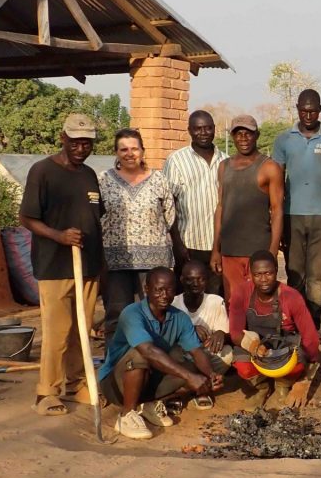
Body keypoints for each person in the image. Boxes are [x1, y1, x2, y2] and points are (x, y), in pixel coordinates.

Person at [19, 113, 105, 416]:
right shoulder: (42, 172)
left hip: (89, 266)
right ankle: (47, 392)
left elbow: (96, 220)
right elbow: (26, 218)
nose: (82, 147)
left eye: (87, 142)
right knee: (58, 330)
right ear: (63, 138)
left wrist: (100, 264)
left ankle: (78, 383)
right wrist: (58, 235)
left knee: (81, 330)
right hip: (55, 266)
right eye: (76, 141)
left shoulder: (89, 175)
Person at [98, 267, 224, 440]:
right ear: (146, 288)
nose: (164, 295)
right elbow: (147, 351)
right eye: (158, 290)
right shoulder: (132, 313)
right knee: (140, 354)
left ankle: (148, 405)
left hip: (148, 379)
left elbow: (196, 351)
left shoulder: (180, 317)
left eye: (169, 290)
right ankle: (127, 415)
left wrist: (210, 375)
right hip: (115, 384)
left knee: (192, 366)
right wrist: (189, 377)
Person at [272, 89, 321, 329]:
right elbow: (275, 177)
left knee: (316, 276)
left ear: (320, 110)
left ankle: (313, 326)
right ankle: (294, 324)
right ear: (297, 108)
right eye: (303, 110)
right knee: (295, 274)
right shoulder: (284, 139)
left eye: (313, 110)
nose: (308, 115)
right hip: (291, 215)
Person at [98, 129, 175, 341]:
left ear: (143, 151)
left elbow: (169, 216)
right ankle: (115, 367)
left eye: (134, 148)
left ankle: (154, 368)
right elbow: (97, 216)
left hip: (154, 263)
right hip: (115, 262)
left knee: (154, 314)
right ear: (116, 152)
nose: (129, 153)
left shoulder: (159, 179)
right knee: (117, 315)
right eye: (123, 149)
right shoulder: (104, 180)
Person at [228, 250, 320, 410]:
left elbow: (310, 337)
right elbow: (235, 332)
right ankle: (262, 388)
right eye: (258, 274)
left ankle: (282, 385)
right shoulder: (241, 292)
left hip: (284, 348)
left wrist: (305, 379)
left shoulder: (292, 297)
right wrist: (254, 347)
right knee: (240, 362)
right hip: (258, 348)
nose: (263, 280)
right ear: (251, 274)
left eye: (268, 273)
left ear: (277, 271)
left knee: (298, 360)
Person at [212, 115, 285, 303]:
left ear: (257, 135)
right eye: (238, 134)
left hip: (258, 251)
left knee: (259, 303)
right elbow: (221, 207)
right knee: (234, 303)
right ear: (233, 137)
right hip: (230, 250)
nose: (243, 138)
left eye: (248, 134)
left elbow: (277, 211)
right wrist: (216, 249)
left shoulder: (269, 167)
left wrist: (273, 251)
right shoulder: (224, 167)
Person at [164, 109, 228, 295]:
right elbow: (169, 204)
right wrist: (177, 243)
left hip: (218, 244)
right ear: (190, 130)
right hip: (189, 243)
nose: (203, 133)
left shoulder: (225, 160)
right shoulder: (176, 160)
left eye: (208, 128)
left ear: (215, 129)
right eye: (198, 129)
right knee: (187, 296)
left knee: (215, 296)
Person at [171, 260, 233, 409]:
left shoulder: (216, 302)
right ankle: (194, 389)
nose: (195, 284)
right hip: (182, 357)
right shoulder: (173, 303)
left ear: (207, 280)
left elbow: (225, 334)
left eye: (200, 279)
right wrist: (189, 330)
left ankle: (195, 388)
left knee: (227, 353)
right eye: (190, 279)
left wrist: (221, 335)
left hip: (206, 358)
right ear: (181, 280)